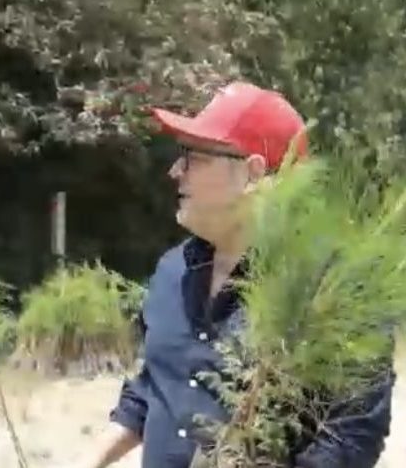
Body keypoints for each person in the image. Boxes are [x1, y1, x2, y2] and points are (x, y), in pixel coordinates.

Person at [85, 81, 393, 468]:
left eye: (193, 157)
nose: (174, 170)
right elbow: (152, 386)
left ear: (252, 173)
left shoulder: (329, 287)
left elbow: (351, 436)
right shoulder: (173, 270)